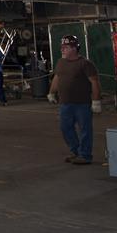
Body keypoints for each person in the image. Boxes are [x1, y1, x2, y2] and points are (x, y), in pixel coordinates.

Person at [48, 34, 103, 165]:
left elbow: (95, 82)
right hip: (65, 103)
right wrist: (51, 92)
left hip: (82, 104)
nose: (62, 50)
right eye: (62, 47)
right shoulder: (61, 62)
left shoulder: (85, 64)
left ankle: (85, 155)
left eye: (65, 47)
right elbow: (57, 78)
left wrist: (96, 101)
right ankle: (75, 151)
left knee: (85, 130)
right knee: (65, 128)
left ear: (74, 48)